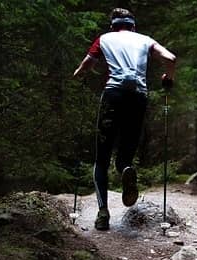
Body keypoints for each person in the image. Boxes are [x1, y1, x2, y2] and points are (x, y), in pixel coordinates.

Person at [73, 8, 176, 231]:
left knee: (101, 157)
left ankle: (103, 213)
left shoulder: (104, 39)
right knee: (125, 155)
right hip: (138, 97)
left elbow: (86, 65)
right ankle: (126, 169)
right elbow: (170, 58)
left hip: (113, 95)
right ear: (133, 26)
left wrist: (77, 76)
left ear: (113, 26)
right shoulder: (145, 40)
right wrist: (168, 77)